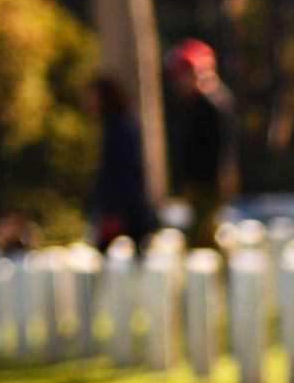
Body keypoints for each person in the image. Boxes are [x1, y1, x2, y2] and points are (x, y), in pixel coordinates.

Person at [166, 42, 237, 225]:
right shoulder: (189, 105)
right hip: (194, 180)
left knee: (207, 231)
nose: (180, 83)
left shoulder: (213, 102)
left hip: (209, 181)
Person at [88, 74, 153, 245]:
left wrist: (116, 211)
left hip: (123, 213)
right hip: (116, 210)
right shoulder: (111, 126)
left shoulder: (121, 127)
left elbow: (126, 172)